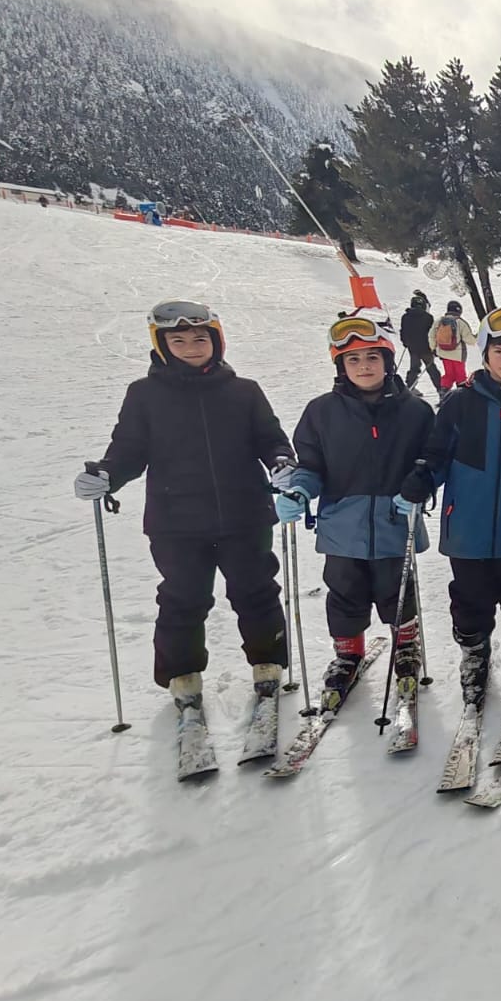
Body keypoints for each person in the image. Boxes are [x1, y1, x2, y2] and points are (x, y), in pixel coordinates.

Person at [74, 301, 293, 708]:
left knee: (256, 590)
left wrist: (282, 462)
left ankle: (268, 662)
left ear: (216, 342)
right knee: (183, 597)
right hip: (176, 521)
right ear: (162, 345)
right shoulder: (144, 395)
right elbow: (129, 450)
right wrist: (106, 475)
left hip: (245, 515)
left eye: (200, 338)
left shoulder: (244, 391)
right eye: (179, 340)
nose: (191, 347)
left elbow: (271, 438)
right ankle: (182, 673)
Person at [397, 306, 501, 702]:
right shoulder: (459, 404)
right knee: (469, 597)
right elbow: (437, 454)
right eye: (499, 352)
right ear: (486, 353)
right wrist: (424, 476)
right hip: (466, 527)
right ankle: (474, 653)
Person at [274, 313, 435, 703]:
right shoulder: (321, 412)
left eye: (372, 357)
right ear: (341, 365)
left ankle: (407, 645)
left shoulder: (415, 411)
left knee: (397, 591)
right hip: (342, 527)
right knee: (345, 592)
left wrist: (421, 485)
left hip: (396, 523)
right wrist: (299, 491)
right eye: (353, 359)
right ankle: (348, 653)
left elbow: (432, 461)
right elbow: (311, 465)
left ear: (388, 361)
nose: (364, 366)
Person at [400, 290, 442, 393]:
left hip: (412, 347)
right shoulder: (428, 317)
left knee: (414, 367)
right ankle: (440, 388)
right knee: (431, 368)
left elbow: (403, 331)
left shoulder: (405, 316)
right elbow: (432, 333)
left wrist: (405, 342)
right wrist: (434, 347)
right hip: (426, 347)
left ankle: (410, 387)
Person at [433, 300, 471, 392]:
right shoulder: (460, 322)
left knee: (449, 374)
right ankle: (462, 393)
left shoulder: (439, 322)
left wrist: (434, 349)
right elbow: (469, 338)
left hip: (444, 353)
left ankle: (443, 391)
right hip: (458, 354)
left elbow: (432, 336)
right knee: (460, 375)